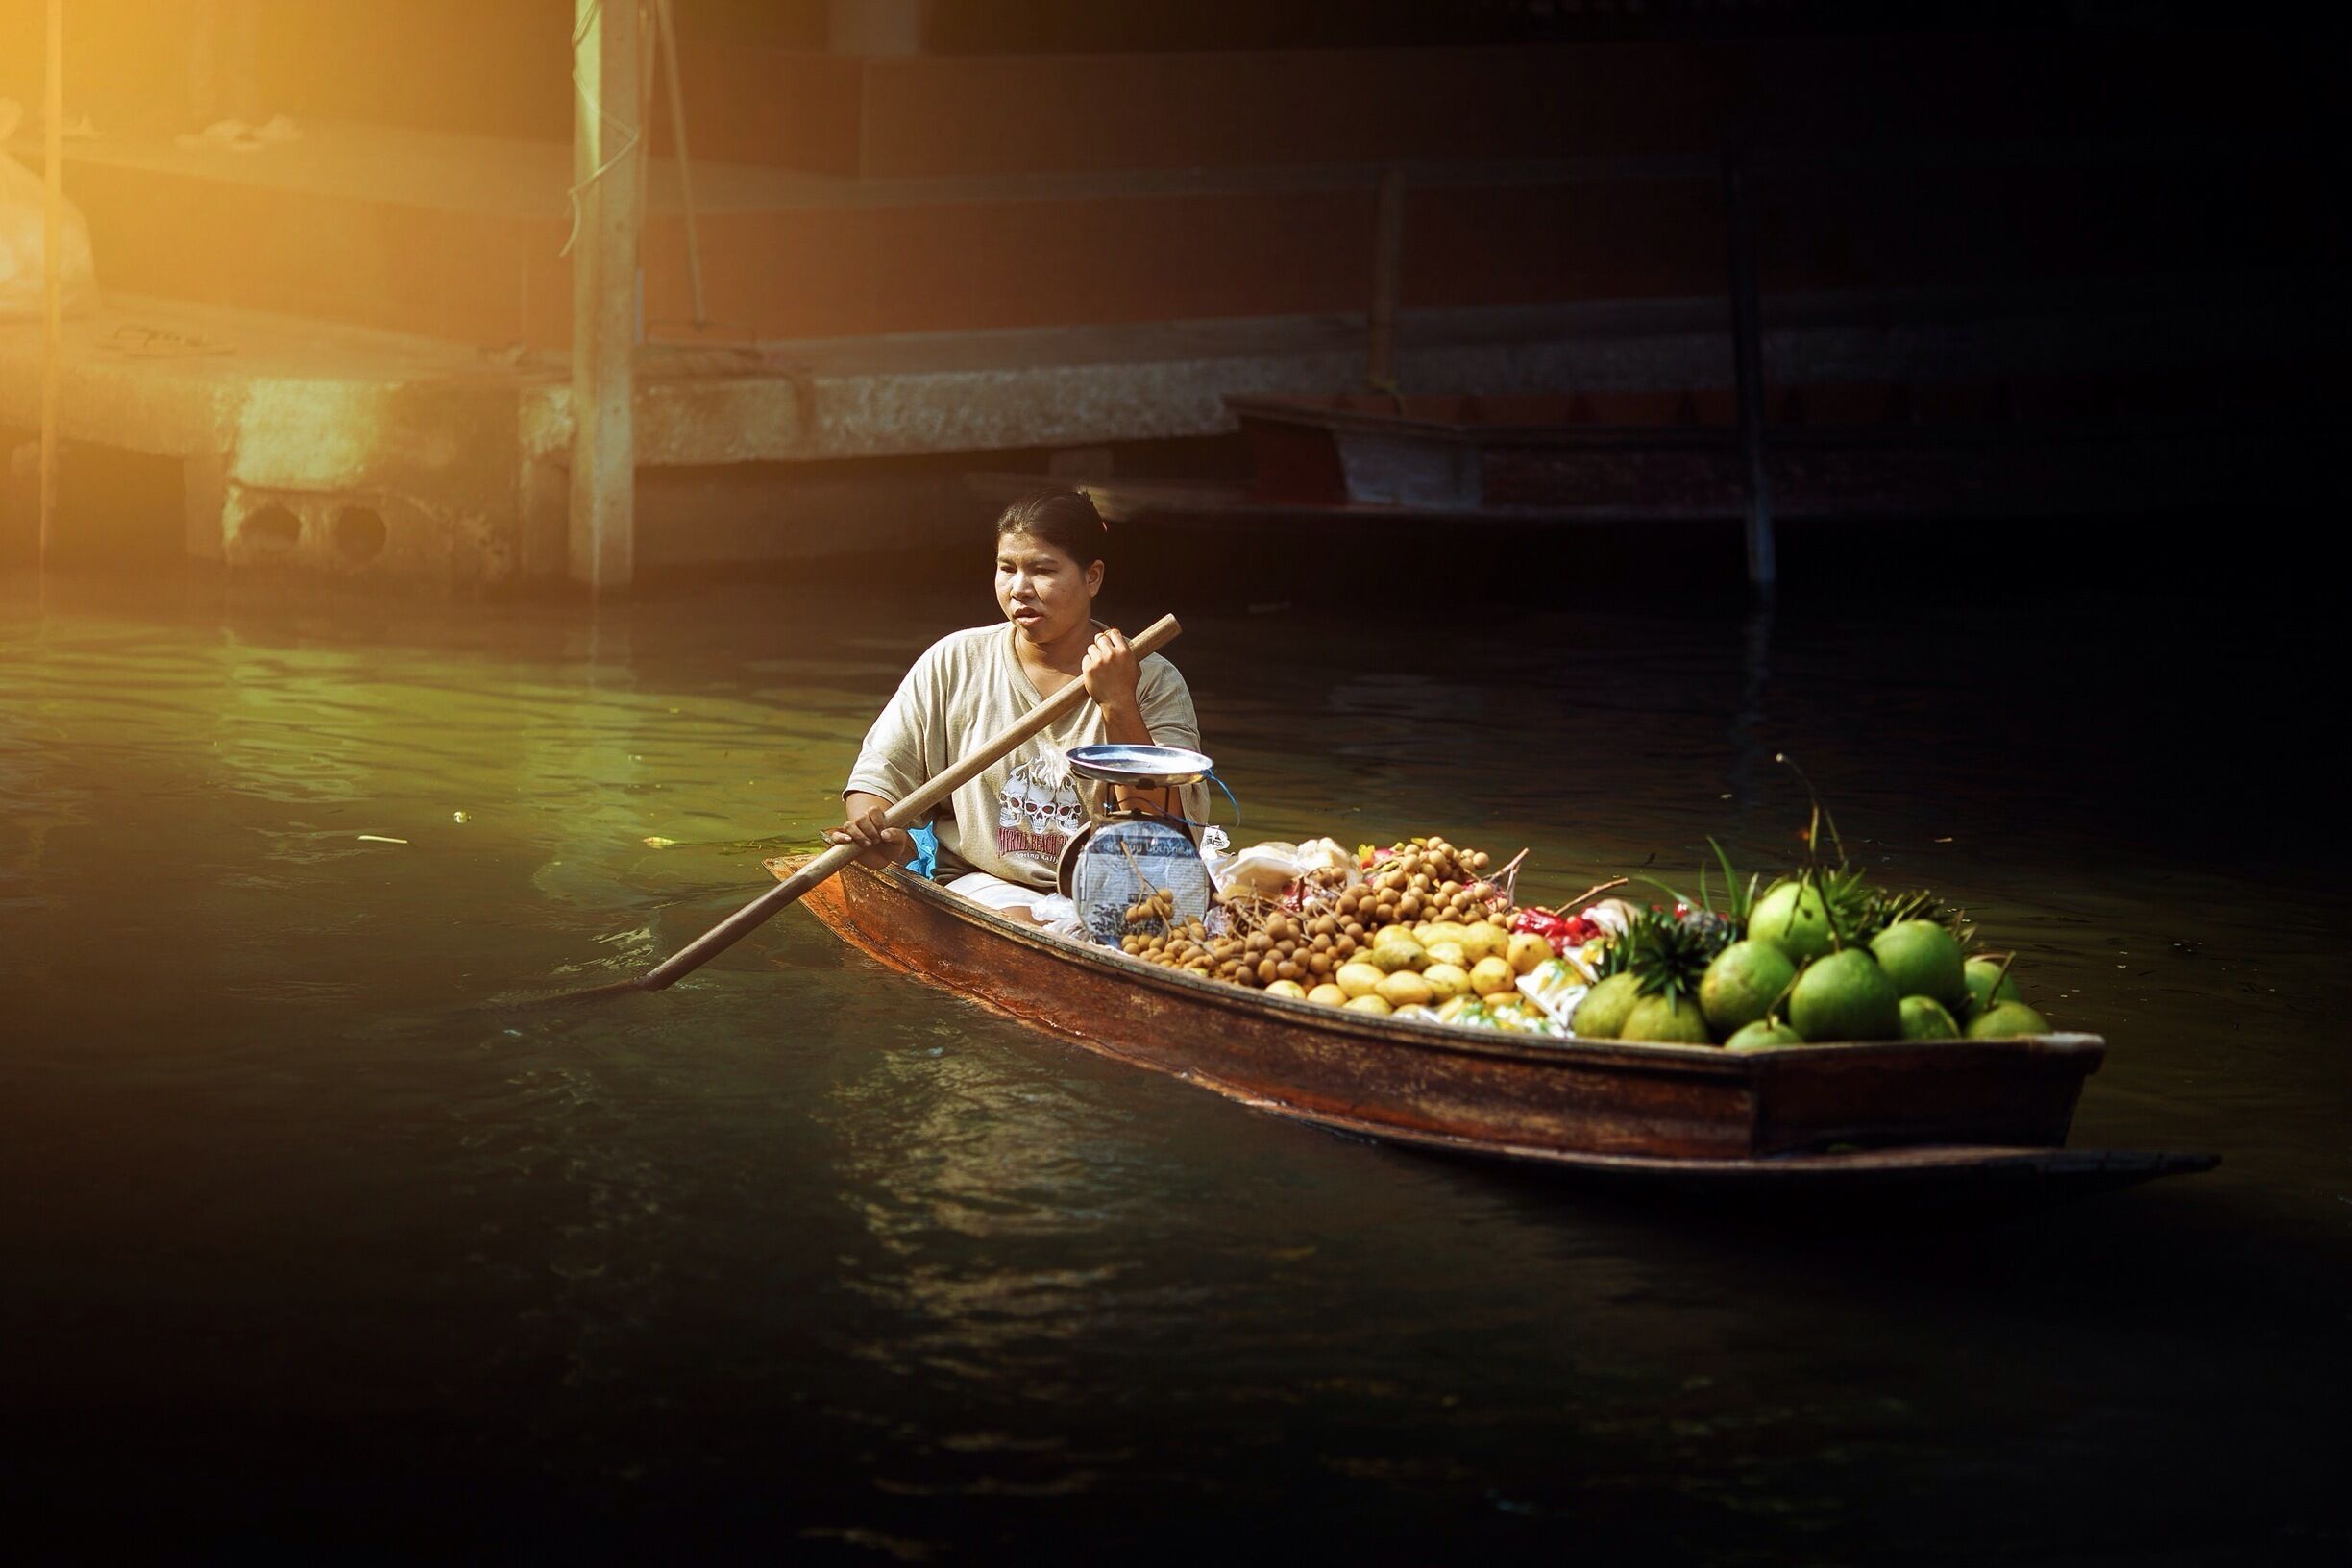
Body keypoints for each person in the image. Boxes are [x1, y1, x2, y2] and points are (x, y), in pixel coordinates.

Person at [825, 488, 1206, 926]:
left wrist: (1118, 703)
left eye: (1043, 570)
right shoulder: (955, 660)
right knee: (1023, 923)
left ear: (1093, 577)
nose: (1019, 589)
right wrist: (874, 829)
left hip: (1115, 886)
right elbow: (878, 777)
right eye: (1007, 568)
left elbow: (1161, 830)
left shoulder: (1152, 680)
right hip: (981, 880)